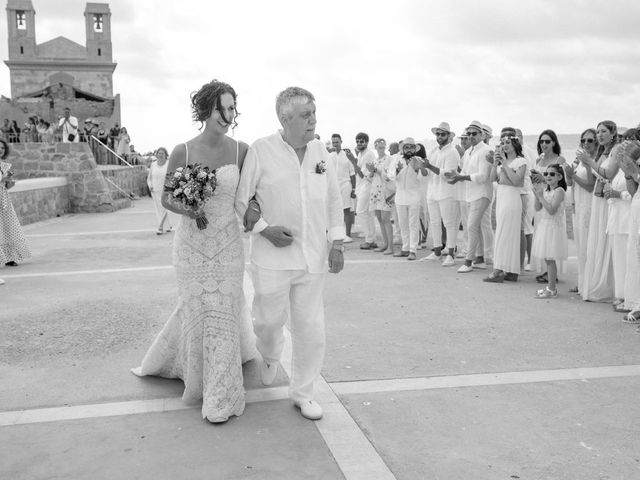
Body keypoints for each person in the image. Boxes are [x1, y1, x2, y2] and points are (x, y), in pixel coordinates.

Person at [132, 79, 256, 424]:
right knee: (197, 306)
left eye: (233, 108)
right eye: (223, 108)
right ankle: (195, 373)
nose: (229, 115)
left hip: (229, 245)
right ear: (206, 109)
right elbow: (167, 197)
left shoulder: (241, 151)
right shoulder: (182, 151)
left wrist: (257, 219)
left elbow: (250, 196)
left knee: (225, 309)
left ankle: (222, 394)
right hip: (191, 247)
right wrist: (192, 208)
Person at [236, 86, 345, 421]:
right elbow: (242, 199)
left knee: (312, 328)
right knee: (268, 321)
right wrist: (264, 229)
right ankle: (269, 354)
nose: (314, 119)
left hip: (313, 257)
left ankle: (304, 392)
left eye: (314, 112)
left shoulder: (320, 152)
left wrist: (337, 242)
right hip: (272, 257)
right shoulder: (261, 150)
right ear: (285, 119)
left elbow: (333, 200)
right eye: (306, 115)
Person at [579, 121, 620, 302]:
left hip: (606, 200)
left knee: (605, 240)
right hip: (598, 198)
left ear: (613, 133)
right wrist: (587, 164)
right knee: (596, 240)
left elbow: (608, 173)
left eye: (603, 131)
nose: (599, 135)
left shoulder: (615, 150)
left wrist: (589, 162)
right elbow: (594, 176)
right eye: (598, 132)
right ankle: (596, 281)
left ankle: (608, 285)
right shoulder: (603, 151)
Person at [449, 121, 493, 273]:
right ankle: (480, 259)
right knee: (477, 227)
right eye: (469, 134)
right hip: (471, 194)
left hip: (482, 194)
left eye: (474, 133)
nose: (471, 136)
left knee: (472, 226)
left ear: (482, 135)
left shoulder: (486, 150)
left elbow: (483, 176)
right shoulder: (469, 152)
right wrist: (455, 176)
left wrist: (462, 178)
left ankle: (468, 261)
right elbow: (464, 172)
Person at [483, 133, 527, 282]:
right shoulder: (502, 163)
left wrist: (505, 165)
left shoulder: (521, 161)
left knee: (507, 233)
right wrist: (495, 163)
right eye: (502, 142)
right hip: (501, 197)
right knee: (503, 231)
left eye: (507, 142)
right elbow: (491, 179)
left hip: (512, 198)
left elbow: (516, 181)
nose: (504, 145)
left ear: (515, 144)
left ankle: (499, 270)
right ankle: (509, 270)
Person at [531, 129, 566, 284]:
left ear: (553, 142)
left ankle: (552, 275)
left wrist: (543, 179)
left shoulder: (559, 159)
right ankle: (546, 271)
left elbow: (560, 181)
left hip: (551, 199)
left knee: (551, 239)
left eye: (547, 141)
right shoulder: (539, 160)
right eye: (541, 141)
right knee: (542, 237)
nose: (543, 144)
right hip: (541, 198)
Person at [423, 122, 461, 266]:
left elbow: (449, 174)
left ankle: (450, 254)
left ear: (448, 136)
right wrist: (422, 167)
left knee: (449, 223)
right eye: (438, 134)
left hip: (447, 192)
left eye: (442, 134)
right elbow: (427, 173)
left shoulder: (452, 152)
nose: (439, 136)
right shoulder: (433, 150)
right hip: (432, 191)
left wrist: (429, 166)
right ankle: (437, 251)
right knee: (434, 222)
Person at [531, 164, 568, 298]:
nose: (548, 177)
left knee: (550, 259)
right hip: (544, 226)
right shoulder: (546, 190)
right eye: (546, 174)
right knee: (547, 258)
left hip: (553, 228)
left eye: (552, 174)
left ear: (559, 176)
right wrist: (537, 194)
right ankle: (550, 286)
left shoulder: (559, 191)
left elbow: (552, 210)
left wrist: (541, 196)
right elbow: (537, 208)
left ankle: (552, 289)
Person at [0, 139, 32, 268]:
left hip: (4, 199)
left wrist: (9, 181)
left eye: (2, 148)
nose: (0, 150)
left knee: (8, 227)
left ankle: (10, 256)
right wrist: (3, 179)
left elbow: (5, 185)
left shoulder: (4, 165)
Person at [346, 133, 377, 249]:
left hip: (367, 186)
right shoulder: (361, 154)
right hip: (362, 186)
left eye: (362, 141)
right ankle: (372, 239)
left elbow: (362, 174)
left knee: (360, 212)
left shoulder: (369, 154)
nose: (359, 143)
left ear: (367, 142)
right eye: (358, 141)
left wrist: (351, 160)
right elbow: (359, 167)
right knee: (368, 214)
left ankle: (369, 239)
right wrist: (354, 157)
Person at [368, 138, 395, 255]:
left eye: (383, 147)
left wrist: (376, 170)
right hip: (375, 191)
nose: (382, 149)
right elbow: (370, 177)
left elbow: (389, 176)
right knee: (379, 218)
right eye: (379, 147)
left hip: (385, 191)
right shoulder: (375, 160)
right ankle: (385, 244)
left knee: (386, 219)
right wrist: (371, 172)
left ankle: (390, 246)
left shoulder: (389, 159)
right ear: (375, 147)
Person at [329, 134, 356, 242]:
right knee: (334, 211)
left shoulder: (347, 155)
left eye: (337, 142)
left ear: (341, 142)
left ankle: (347, 235)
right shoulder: (330, 156)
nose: (335, 144)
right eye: (333, 142)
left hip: (346, 185)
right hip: (334, 186)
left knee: (346, 210)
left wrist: (353, 189)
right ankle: (336, 234)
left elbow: (352, 173)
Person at [147, 147, 178, 234]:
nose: (160, 155)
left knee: (164, 208)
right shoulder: (153, 165)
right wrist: (150, 186)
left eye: (162, 153)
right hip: (155, 191)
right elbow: (149, 178)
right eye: (159, 153)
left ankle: (160, 227)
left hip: (166, 190)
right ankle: (169, 226)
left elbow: (173, 176)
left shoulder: (169, 164)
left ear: (165, 155)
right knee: (159, 209)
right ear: (156, 154)